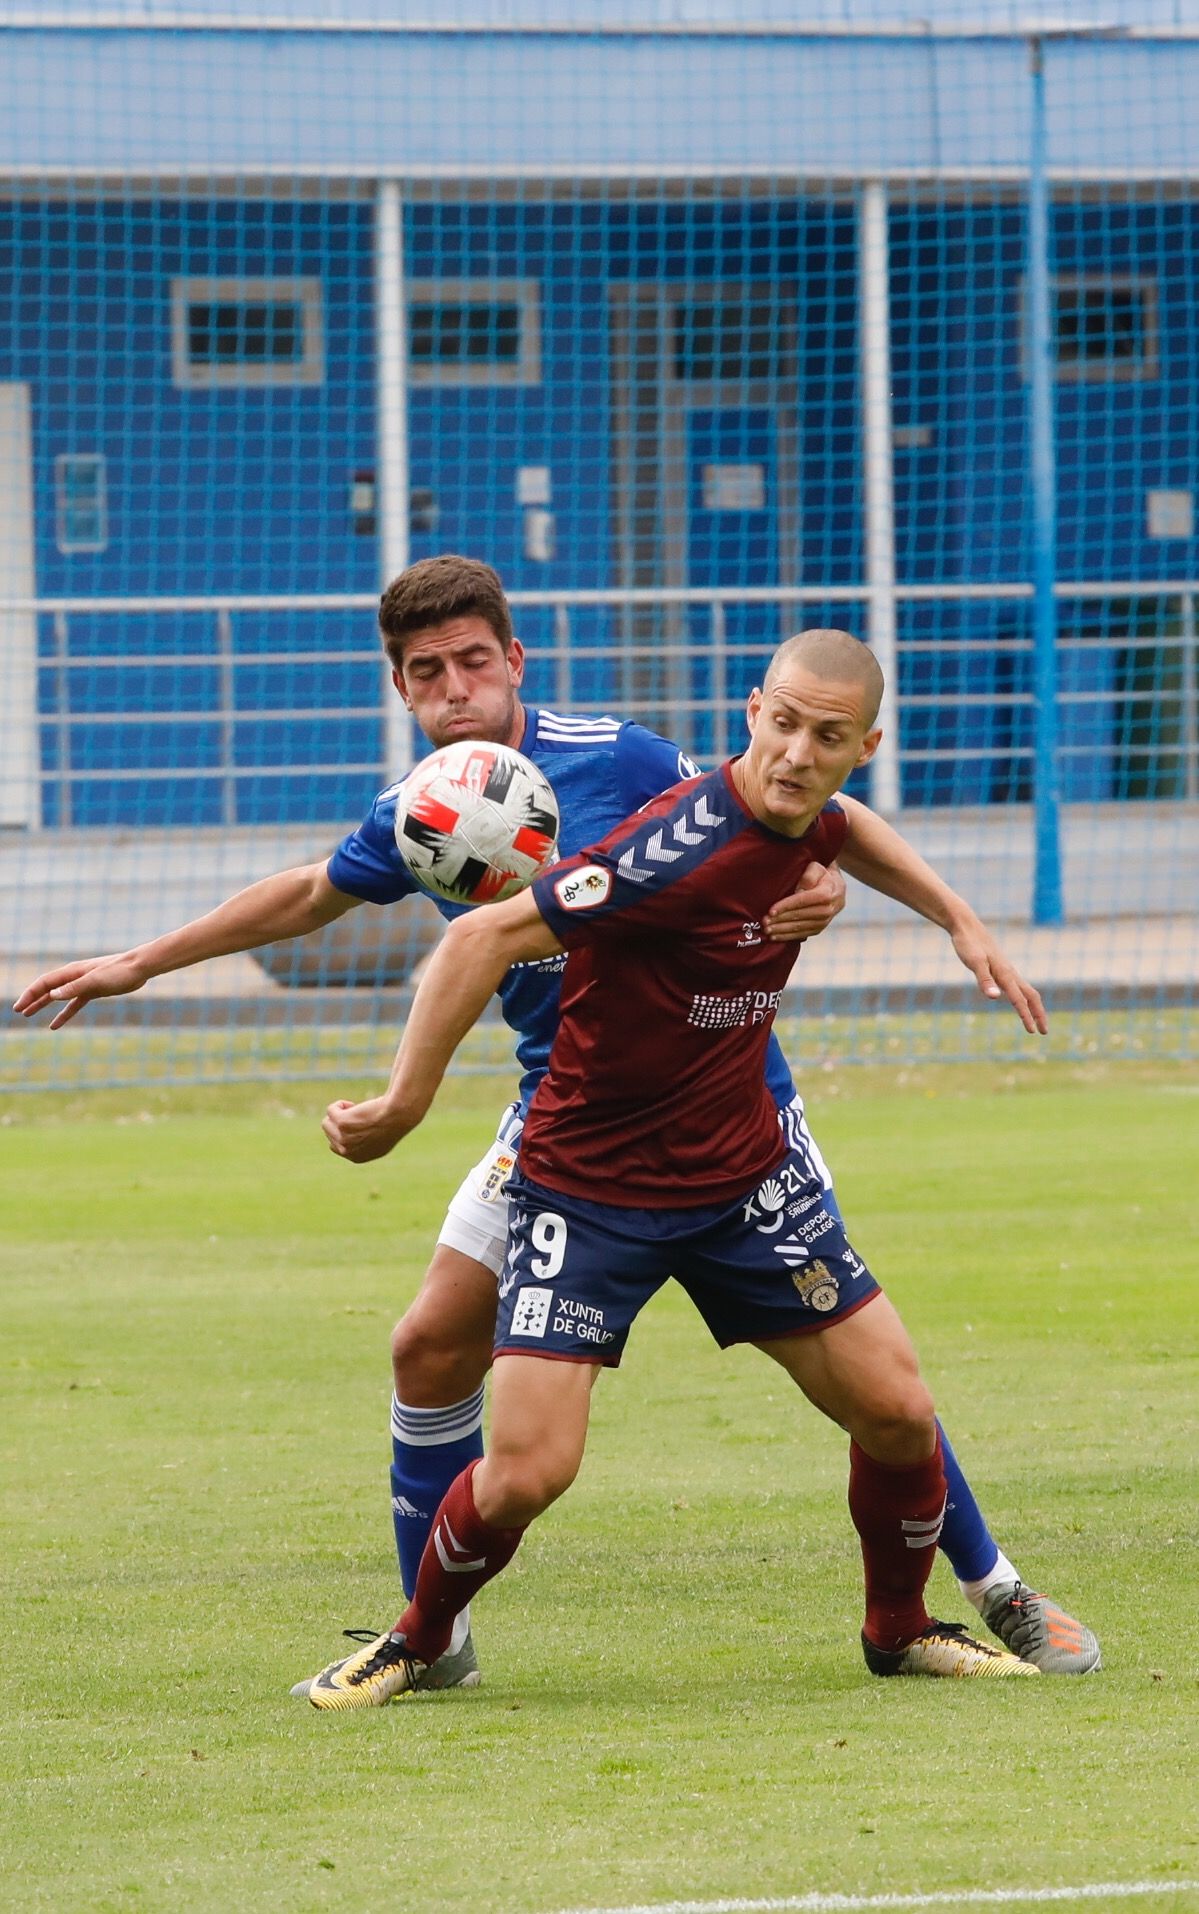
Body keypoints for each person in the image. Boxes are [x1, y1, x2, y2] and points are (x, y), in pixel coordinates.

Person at [15, 559, 1099, 1690]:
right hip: (564, 1115)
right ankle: (427, 1643)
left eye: (473, 661)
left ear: (514, 661)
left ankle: (989, 1584)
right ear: (398, 687)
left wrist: (881, 900)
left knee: (876, 1382)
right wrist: (143, 959)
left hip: (733, 1101)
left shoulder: (619, 757)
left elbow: (787, 802)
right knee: (429, 1343)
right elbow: (307, 893)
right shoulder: (426, 807)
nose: (455, 688)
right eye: (426, 672)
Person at [302, 626, 1095, 1710]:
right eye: (780, 725)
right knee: (531, 1468)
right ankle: (414, 1641)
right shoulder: (667, 848)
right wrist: (401, 1104)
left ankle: (899, 1628)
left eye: (824, 738)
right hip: (589, 1187)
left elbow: (846, 826)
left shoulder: (813, 811)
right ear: (748, 714)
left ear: (860, 746)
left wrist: (958, 918)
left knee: (899, 1414)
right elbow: (478, 940)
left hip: (741, 1183)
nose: (794, 755)